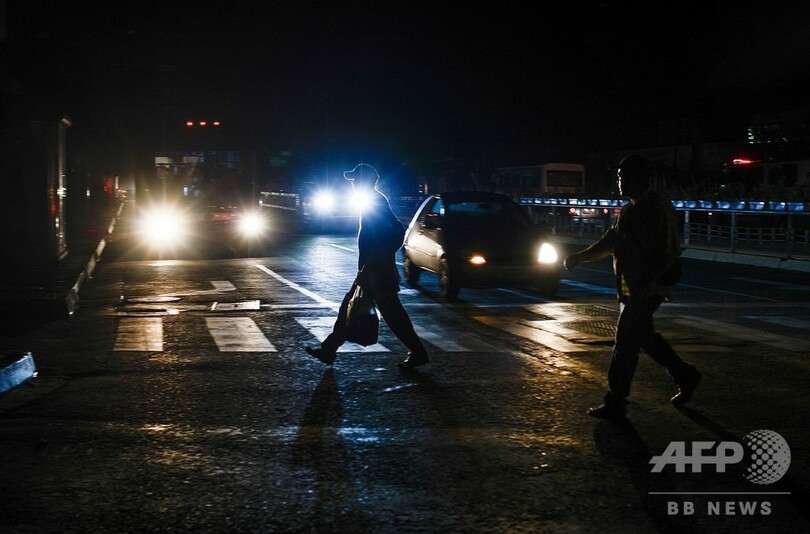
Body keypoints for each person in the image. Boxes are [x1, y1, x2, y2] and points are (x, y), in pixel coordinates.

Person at [563, 154, 701, 420]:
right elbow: (608, 243)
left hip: (647, 289)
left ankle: (616, 401)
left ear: (642, 179)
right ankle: (686, 375)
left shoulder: (658, 207)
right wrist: (579, 257)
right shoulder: (628, 210)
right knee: (645, 338)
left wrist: (647, 282)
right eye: (618, 177)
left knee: (625, 342)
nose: (620, 182)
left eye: (624, 177)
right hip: (630, 289)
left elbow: (670, 251)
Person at [305, 164, 429, 369]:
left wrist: (379, 259)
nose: (353, 184)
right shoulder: (372, 202)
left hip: (377, 271)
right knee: (350, 307)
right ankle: (328, 350)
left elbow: (397, 231)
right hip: (371, 270)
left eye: (355, 180)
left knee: (392, 314)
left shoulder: (376, 202)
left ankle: (418, 352)